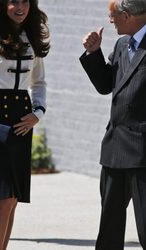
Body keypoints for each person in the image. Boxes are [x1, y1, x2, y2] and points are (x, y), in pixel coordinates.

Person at [0, 0, 50, 248]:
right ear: (3, 5)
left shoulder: (31, 36)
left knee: (13, 197)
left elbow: (39, 83)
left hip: (21, 119)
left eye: (25, 1)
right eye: (13, 1)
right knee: (3, 196)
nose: (20, 7)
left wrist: (38, 112)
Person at [80, 0, 146, 249]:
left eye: (113, 16)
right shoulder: (121, 45)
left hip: (143, 152)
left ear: (127, 16)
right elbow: (107, 85)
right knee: (109, 224)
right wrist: (93, 53)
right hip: (115, 147)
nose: (110, 21)